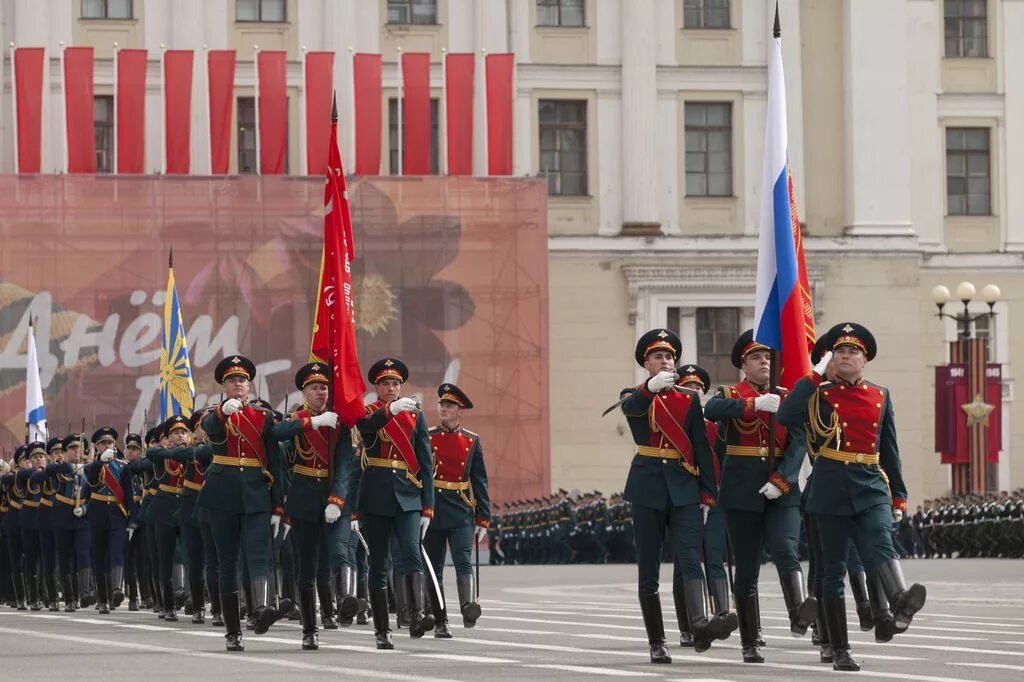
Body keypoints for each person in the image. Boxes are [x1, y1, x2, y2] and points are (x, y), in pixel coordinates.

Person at [778, 322, 927, 672]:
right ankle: (839, 649)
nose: (847, 356)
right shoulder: (817, 393)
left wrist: (899, 497)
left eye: (854, 352)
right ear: (832, 359)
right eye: (840, 352)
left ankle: (900, 601)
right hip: (830, 485)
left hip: (871, 482)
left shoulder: (880, 395)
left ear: (864, 360)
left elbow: (889, 449)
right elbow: (786, 416)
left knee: (880, 542)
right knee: (832, 572)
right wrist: (812, 377)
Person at [620, 329, 731, 665]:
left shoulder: (687, 399)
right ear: (646, 363)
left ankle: (698, 623)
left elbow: (700, 446)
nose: (665, 361)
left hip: (684, 488)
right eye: (658, 356)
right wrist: (647, 390)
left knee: (689, 559)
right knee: (649, 569)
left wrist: (709, 492)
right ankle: (657, 640)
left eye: (669, 357)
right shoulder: (635, 395)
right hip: (648, 488)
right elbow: (632, 410)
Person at [704, 330, 816, 664]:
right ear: (743, 363)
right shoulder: (730, 393)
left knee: (785, 549)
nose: (764, 362)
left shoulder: (787, 396)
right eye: (756, 357)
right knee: (747, 567)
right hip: (741, 491)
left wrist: (783, 479)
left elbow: (799, 441)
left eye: (768, 357)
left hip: (780, 488)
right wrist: (752, 404)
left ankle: (799, 612)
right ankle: (750, 640)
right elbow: (712, 410)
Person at [196, 355, 287, 651]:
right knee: (227, 563)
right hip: (222, 494)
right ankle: (233, 631)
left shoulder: (263, 416)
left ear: (249, 386)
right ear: (224, 385)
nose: (238, 384)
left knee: (258, 555)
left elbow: (275, 461)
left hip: (256, 494)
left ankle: (260, 611)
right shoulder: (213, 412)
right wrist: (223, 411)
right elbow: (210, 428)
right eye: (232, 380)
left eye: (243, 380)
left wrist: (277, 505)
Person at [348, 357, 436, 650]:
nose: (391, 387)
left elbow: (424, 461)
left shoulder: (416, 416)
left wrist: (428, 506)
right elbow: (368, 428)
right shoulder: (368, 412)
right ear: (377, 386)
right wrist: (391, 410)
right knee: (379, 564)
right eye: (386, 383)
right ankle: (382, 629)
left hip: (408, 496)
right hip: (376, 495)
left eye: (396, 383)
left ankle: (417, 615)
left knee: (411, 554)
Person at [271, 362, 353, 650]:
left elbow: (344, 466)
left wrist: (337, 499)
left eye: (324, 387)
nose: (321, 392)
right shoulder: (297, 420)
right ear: (304, 392)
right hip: (304, 500)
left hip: (333, 498)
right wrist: (312, 422)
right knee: (306, 569)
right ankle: (309, 628)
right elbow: (276, 434)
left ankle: (345, 601)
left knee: (340, 553)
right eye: (315, 387)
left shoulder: (340, 424)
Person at [671, 364, 735, 648]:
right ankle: (688, 625)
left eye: (698, 387)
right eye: (687, 387)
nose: (694, 391)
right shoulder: (672, 427)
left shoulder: (716, 427)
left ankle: (722, 613)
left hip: (716, 498)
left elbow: (724, 461)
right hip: (684, 500)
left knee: (715, 555)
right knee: (685, 565)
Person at [423, 383, 491, 638]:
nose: (443, 408)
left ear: (459, 411)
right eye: (441, 404)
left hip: (461, 509)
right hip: (434, 509)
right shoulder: (427, 437)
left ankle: (467, 607)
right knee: (435, 567)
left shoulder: (472, 441)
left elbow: (479, 480)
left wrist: (483, 518)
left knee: (463, 561)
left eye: (449, 405)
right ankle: (441, 620)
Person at [83, 427, 134, 614]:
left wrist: (133, 518)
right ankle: (103, 599)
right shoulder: (91, 467)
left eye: (110, 443)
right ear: (96, 447)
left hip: (117, 512)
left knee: (117, 552)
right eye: (103, 443)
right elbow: (92, 481)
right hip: (98, 513)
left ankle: (116, 589)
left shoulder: (123, 466)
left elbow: (128, 494)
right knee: (99, 556)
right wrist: (99, 462)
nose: (107, 446)